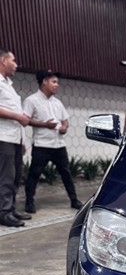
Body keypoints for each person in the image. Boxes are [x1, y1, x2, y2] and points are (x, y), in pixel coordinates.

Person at [23, 70, 82, 213]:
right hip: (42, 145)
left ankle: (74, 200)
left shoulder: (57, 102)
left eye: (57, 82)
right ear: (44, 81)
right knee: (34, 174)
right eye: (54, 82)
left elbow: (65, 120)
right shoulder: (31, 100)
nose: (57, 85)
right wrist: (45, 125)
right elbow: (26, 120)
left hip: (59, 145)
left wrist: (64, 128)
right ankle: (29, 202)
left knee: (66, 173)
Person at [0, 48, 31, 227]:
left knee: (16, 176)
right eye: (13, 61)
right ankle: (4, 212)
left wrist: (22, 141)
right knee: (6, 176)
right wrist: (18, 116)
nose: (16, 65)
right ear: (3, 61)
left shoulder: (8, 84)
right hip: (3, 136)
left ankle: (11, 208)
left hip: (15, 137)